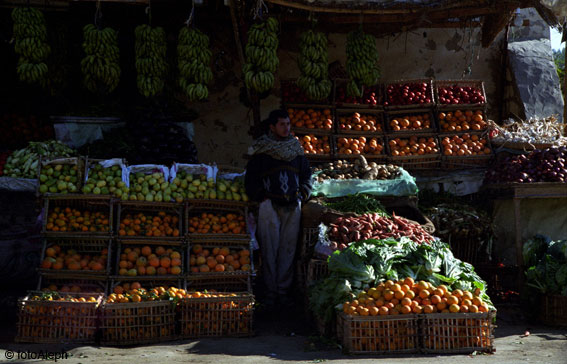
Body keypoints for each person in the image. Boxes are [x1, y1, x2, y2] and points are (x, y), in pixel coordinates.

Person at [245, 109, 312, 308]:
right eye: (282, 124)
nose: (286, 128)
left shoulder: (296, 151)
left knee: (288, 249)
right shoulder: (262, 152)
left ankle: (283, 292)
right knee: (269, 248)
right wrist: (261, 197)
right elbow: (251, 180)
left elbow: (307, 176)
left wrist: (303, 194)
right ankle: (270, 292)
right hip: (269, 206)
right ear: (272, 127)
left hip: (292, 205)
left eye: (288, 124)